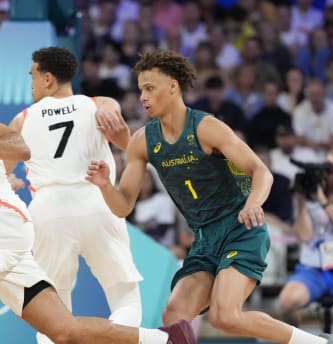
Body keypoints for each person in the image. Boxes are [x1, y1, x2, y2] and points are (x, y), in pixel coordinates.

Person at [86, 49, 333, 344]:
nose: (143, 97)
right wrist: (105, 185)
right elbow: (122, 207)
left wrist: (252, 204)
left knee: (226, 316)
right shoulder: (142, 141)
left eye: (149, 88)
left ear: (173, 86)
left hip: (240, 229)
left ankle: (320, 343)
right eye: (140, 90)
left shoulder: (206, 127)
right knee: (174, 315)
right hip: (204, 239)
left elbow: (261, 171)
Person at [0, 123, 196, 344]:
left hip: (5, 234)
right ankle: (164, 339)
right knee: (63, 331)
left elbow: (21, 148)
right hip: (14, 234)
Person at [8, 46, 143, 343]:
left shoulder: (21, 120)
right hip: (96, 199)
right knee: (126, 298)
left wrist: (9, 182)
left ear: (47, 78)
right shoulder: (99, 103)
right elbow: (128, 144)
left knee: (51, 310)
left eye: (32, 76)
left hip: (48, 209)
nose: (30, 83)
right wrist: (113, 120)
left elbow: (3, 171)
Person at [279, 149, 333, 340]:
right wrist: (301, 203)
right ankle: (303, 342)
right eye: (331, 169)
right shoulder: (309, 198)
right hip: (311, 271)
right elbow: (303, 235)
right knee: (286, 303)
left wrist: (323, 202)